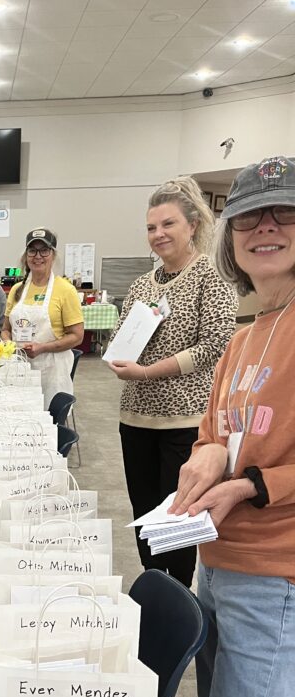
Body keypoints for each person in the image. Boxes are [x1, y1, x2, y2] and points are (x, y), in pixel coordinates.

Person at [169, 155, 295, 697]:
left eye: (282, 215)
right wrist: (206, 458)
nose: (264, 229)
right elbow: (219, 427)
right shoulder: (249, 335)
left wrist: (254, 484)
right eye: (249, 218)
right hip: (222, 560)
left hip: (275, 577)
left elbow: (258, 466)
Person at [108, 177, 237, 587]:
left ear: (193, 224)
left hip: (184, 421)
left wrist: (148, 371)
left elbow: (215, 345)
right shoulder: (142, 285)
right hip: (136, 418)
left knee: (178, 518)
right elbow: (122, 336)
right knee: (144, 513)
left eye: (168, 224)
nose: (158, 234)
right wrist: (120, 353)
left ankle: (178, 592)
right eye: (151, 227)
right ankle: (153, 590)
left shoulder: (211, 275)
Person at [1, 228, 84, 409]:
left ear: (53, 255)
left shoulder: (65, 290)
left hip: (52, 372)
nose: (38, 256)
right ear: (26, 256)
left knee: (48, 425)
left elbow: (77, 336)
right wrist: (8, 344)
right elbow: (5, 329)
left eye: (44, 250)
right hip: (19, 367)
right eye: (32, 250)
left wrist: (43, 347)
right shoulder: (16, 290)